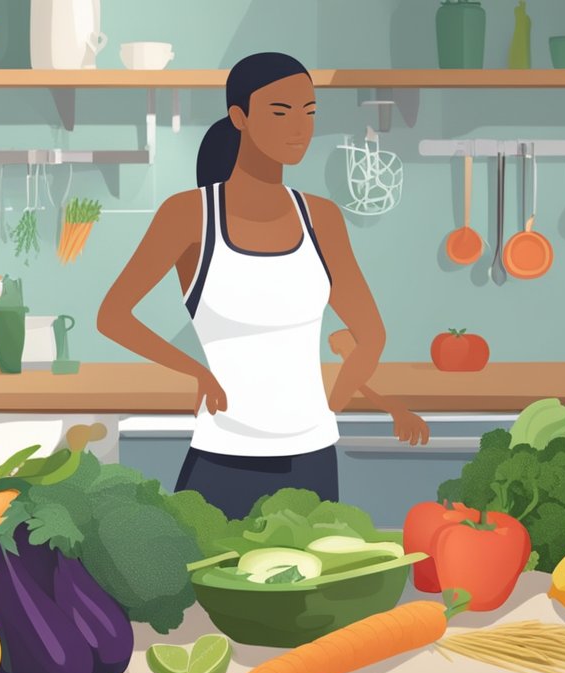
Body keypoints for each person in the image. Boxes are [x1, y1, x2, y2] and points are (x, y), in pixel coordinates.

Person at [99, 52, 428, 520]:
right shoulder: (189, 214)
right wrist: (198, 372)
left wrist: (321, 408)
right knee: (210, 590)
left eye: (310, 112)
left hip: (312, 464)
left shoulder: (322, 218)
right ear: (240, 117)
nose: (300, 127)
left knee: (306, 585)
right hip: (221, 461)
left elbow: (372, 336)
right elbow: (112, 315)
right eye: (281, 111)